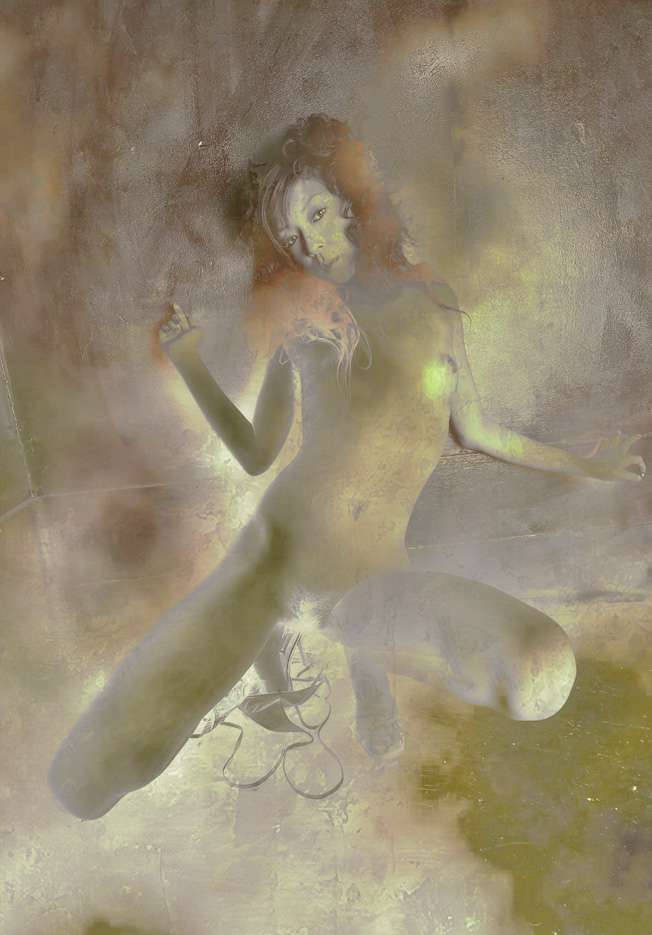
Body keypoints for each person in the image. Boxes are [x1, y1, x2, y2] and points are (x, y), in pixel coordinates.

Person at [48, 115, 646, 819]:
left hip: (372, 582)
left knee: (541, 670)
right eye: (294, 234)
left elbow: (481, 431)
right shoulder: (302, 326)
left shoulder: (433, 307)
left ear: (350, 210)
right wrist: (190, 365)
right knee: (94, 778)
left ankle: (365, 665)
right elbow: (256, 452)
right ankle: (342, 668)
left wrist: (588, 467)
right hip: (276, 561)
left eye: (318, 215)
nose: (312, 242)